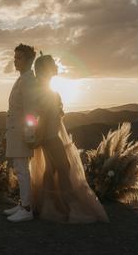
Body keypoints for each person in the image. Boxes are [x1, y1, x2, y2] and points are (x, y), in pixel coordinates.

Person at [30, 54, 109, 223]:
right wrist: (40, 137)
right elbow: (42, 118)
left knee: (50, 171)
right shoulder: (47, 92)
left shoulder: (44, 90)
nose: (55, 68)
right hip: (51, 137)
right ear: (46, 69)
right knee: (64, 169)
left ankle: (47, 207)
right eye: (52, 65)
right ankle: (73, 209)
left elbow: (45, 116)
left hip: (48, 136)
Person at [3, 43, 38, 222]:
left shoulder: (29, 80)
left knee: (23, 170)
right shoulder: (22, 78)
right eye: (14, 57)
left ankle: (27, 209)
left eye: (19, 58)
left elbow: (31, 111)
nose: (15, 61)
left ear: (29, 60)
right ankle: (22, 203)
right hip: (15, 132)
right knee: (19, 169)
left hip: (23, 133)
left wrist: (30, 134)